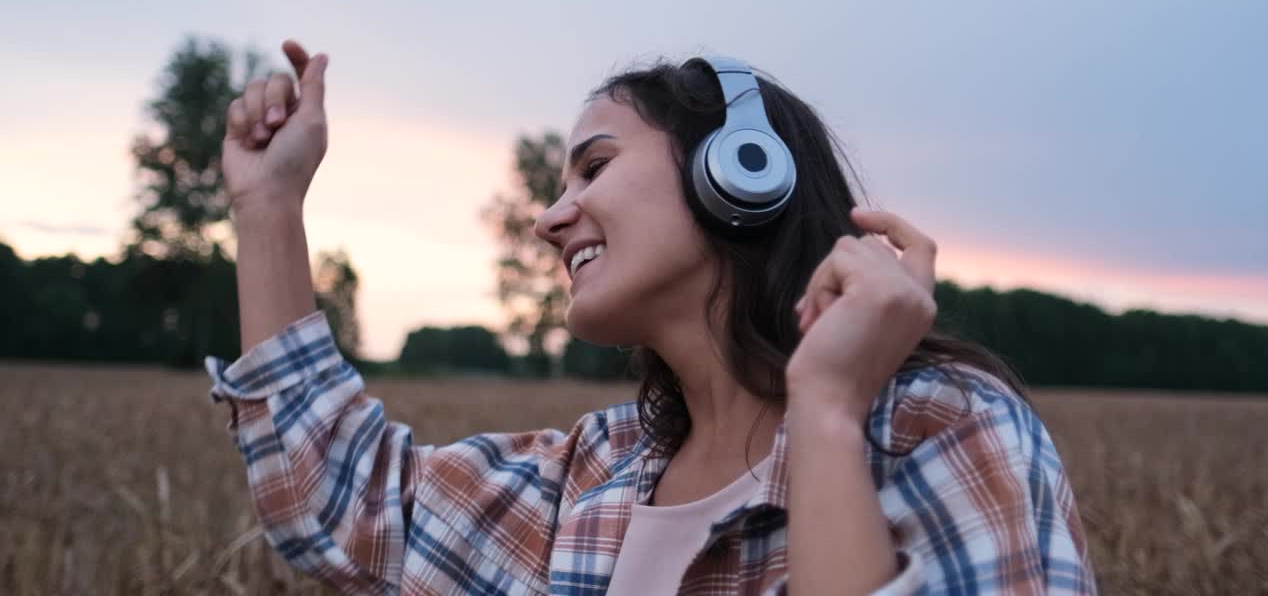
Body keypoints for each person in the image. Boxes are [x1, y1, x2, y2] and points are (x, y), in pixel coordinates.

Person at [209, 39, 1097, 595]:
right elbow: (335, 499)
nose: (550, 218)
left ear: (742, 171)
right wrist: (268, 208)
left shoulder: (941, 428)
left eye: (593, 168)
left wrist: (826, 410)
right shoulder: (589, 479)